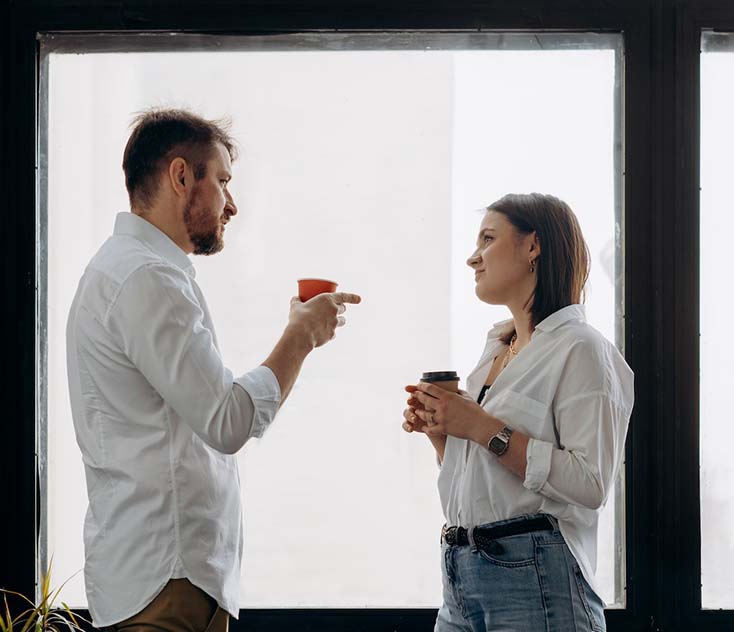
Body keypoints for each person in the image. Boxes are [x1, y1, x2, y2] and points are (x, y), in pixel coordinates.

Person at [66, 108, 361, 632]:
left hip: (161, 578)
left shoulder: (130, 270)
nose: (233, 204)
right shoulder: (146, 278)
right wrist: (301, 337)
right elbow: (227, 421)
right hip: (166, 584)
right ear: (182, 177)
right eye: (222, 181)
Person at [403, 193, 633, 632]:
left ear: (533, 246)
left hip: (534, 578)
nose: (473, 258)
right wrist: (446, 434)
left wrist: (480, 426)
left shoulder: (582, 349)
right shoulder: (496, 349)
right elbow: (487, 480)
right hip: (460, 572)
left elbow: (590, 482)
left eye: (488, 239)